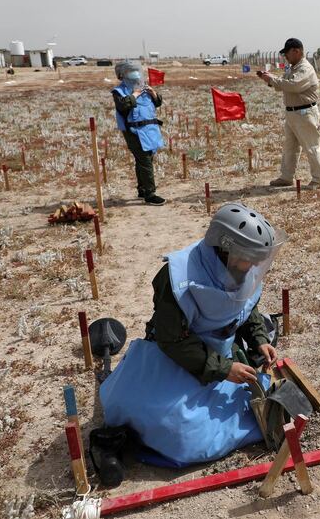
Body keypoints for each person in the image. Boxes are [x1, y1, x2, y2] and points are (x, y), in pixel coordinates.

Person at [99, 203, 290, 471]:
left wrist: (259, 338)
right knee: (178, 433)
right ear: (226, 250)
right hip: (174, 357)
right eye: (251, 257)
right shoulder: (178, 278)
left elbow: (246, 309)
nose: (256, 264)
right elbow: (172, 340)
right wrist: (224, 369)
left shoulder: (241, 268)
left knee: (239, 407)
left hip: (221, 356)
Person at [258, 38, 320, 190]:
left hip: (305, 112)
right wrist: (270, 80)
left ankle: (318, 180)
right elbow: (284, 83)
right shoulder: (292, 68)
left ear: (297, 51)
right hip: (293, 113)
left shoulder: (305, 69)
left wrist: (272, 80)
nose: (285, 57)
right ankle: (286, 177)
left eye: (287, 53)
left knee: (311, 146)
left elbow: (293, 85)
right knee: (290, 147)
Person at [112, 61, 166, 205]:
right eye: (131, 71)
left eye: (136, 71)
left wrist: (153, 93)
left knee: (144, 160)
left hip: (150, 130)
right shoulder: (119, 92)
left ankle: (142, 189)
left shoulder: (143, 87)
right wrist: (134, 95)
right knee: (145, 161)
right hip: (133, 131)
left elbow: (158, 103)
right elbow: (123, 106)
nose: (135, 74)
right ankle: (150, 194)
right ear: (122, 74)